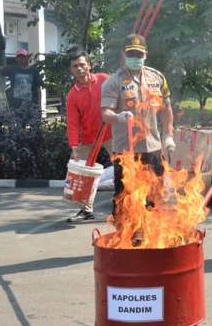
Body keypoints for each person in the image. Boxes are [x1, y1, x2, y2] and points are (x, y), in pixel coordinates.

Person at [101, 34, 175, 220]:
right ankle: (123, 241)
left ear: (146, 55)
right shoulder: (113, 81)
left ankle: (153, 239)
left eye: (139, 54)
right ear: (123, 55)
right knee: (124, 200)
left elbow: (167, 110)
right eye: (131, 53)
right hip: (126, 151)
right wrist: (118, 117)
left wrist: (168, 136)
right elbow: (105, 114)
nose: (135, 58)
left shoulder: (157, 78)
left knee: (155, 197)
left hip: (153, 148)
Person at [65, 48, 112, 222]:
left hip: (110, 134)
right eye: (75, 66)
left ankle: (127, 204)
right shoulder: (72, 95)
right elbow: (72, 123)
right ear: (71, 70)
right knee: (83, 174)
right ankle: (86, 210)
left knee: (124, 167)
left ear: (89, 65)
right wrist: (74, 147)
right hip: (87, 139)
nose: (79, 68)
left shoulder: (104, 80)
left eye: (82, 64)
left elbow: (119, 97)